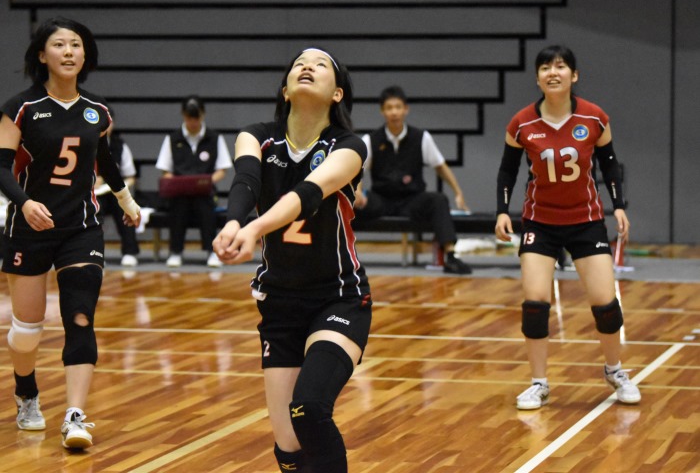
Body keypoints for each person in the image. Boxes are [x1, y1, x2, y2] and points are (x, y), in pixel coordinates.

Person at [213, 47, 371, 473]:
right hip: (280, 302)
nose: (307, 67)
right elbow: (246, 180)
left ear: (337, 93)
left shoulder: (349, 146)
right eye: (299, 63)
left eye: (320, 65)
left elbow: (307, 194)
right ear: (285, 89)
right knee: (288, 447)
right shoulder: (256, 136)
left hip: (338, 297)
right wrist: (233, 222)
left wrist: (253, 229)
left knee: (310, 408)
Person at [0, 17, 141, 449]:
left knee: (80, 316)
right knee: (27, 331)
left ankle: (75, 417)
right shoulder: (22, 107)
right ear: (42, 55)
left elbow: (105, 160)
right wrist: (25, 203)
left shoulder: (98, 111)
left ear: (85, 55)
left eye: (75, 44)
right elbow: (1, 168)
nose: (68, 51)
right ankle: (27, 393)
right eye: (59, 44)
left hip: (81, 229)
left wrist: (126, 201)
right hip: (28, 229)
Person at [495, 45, 640, 410]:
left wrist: (619, 206)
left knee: (606, 304)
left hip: (585, 221)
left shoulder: (594, 117)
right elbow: (507, 170)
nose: (553, 73)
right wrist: (502, 211)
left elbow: (609, 164)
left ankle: (615, 371)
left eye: (560, 67)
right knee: (535, 303)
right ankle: (539, 383)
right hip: (540, 223)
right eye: (545, 68)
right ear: (537, 78)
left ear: (574, 76)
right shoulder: (522, 123)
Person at [354, 85, 472, 274]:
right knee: (346, 203)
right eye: (389, 108)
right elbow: (357, 170)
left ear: (406, 109)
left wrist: (458, 192)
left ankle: (450, 256)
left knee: (438, 200)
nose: (394, 112)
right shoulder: (370, 139)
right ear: (382, 111)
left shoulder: (421, 137)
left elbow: (440, 166)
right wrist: (358, 191)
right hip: (381, 199)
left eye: (398, 107)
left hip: (411, 200)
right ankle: (340, 255)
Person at [155, 95, 232, 268]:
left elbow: (222, 170)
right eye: (189, 118)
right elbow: (165, 170)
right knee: (178, 207)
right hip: (179, 194)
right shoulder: (172, 139)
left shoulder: (214, 138)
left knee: (206, 208)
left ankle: (211, 251)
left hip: (205, 193)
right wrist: (178, 184)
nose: (193, 122)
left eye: (196, 117)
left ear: (203, 115)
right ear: (183, 115)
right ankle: (176, 252)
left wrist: (205, 182)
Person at [94, 110, 140, 266]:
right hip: (92, 194)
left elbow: (130, 176)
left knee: (125, 208)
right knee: (94, 212)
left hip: (114, 192)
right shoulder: (85, 142)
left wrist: (122, 192)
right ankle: (95, 253)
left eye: (108, 122)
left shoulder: (119, 145)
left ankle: (130, 251)